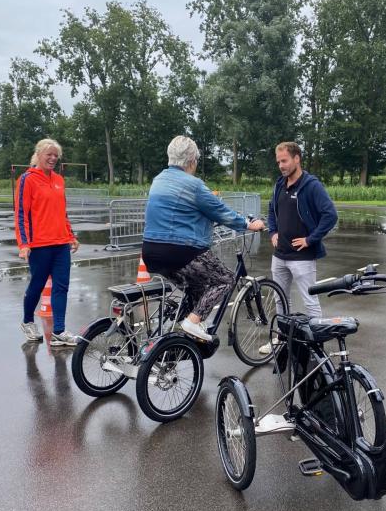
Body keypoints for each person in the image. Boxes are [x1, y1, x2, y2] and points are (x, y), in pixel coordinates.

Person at [142, 135, 264, 342]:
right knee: (224, 280)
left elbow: (179, 214)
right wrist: (248, 224)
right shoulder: (194, 185)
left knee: (195, 289)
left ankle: (172, 342)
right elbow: (220, 211)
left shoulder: (159, 180)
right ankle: (191, 323)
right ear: (192, 161)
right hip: (179, 251)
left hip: (151, 252)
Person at [260, 141, 338, 354]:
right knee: (280, 299)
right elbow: (271, 211)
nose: (281, 165)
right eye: (278, 162)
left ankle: (316, 345)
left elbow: (330, 215)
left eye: (284, 160)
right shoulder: (279, 185)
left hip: (302, 257)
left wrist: (311, 239)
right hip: (280, 255)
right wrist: (273, 232)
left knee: (310, 301)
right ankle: (281, 339)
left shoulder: (311, 185)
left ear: (297, 158)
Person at [15, 138, 79, 346]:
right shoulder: (27, 179)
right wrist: (24, 244)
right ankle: (27, 321)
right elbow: (21, 214)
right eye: (48, 154)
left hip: (60, 244)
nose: (52, 158)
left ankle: (59, 331)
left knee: (62, 287)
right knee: (37, 285)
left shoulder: (59, 180)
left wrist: (71, 236)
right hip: (39, 245)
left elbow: (62, 212)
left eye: (55, 155)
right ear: (38, 155)